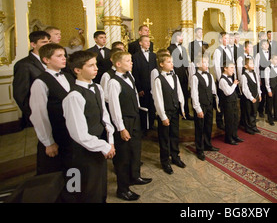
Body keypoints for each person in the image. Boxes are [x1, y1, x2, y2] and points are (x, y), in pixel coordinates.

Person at [62, 50, 115, 203]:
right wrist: (103, 146)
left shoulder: (97, 87)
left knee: (100, 186)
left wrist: (109, 140)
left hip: (99, 145)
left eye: (96, 64)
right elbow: (78, 133)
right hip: (84, 151)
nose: (96, 68)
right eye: (91, 65)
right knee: (88, 190)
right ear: (77, 70)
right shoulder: (74, 96)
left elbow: (105, 117)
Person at [108, 51, 152, 201]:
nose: (131, 63)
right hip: (124, 121)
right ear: (118, 64)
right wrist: (121, 127)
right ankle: (123, 188)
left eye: (131, 60)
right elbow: (114, 107)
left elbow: (133, 97)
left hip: (134, 118)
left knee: (135, 150)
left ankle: (135, 176)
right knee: (123, 156)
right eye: (128, 61)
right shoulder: (114, 82)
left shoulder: (130, 76)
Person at [29, 43, 75, 175]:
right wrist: (48, 142)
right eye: (59, 56)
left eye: (64, 55)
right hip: (56, 133)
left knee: (72, 169)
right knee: (54, 173)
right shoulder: (40, 82)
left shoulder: (68, 76)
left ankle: (73, 192)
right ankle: (59, 196)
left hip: (70, 133)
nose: (64, 58)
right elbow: (39, 115)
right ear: (46, 60)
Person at [153, 53, 186, 174]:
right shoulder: (158, 80)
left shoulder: (175, 77)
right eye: (168, 62)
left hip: (175, 111)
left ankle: (175, 157)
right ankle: (165, 161)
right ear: (161, 64)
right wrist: (163, 116)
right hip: (165, 113)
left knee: (174, 135)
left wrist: (182, 108)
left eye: (172, 62)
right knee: (164, 138)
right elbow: (158, 99)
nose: (172, 64)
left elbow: (179, 93)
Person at [13, 31, 50, 128]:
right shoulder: (23, 65)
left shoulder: (51, 60)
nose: (48, 45)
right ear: (33, 44)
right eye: (44, 42)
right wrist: (33, 115)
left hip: (52, 111)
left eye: (49, 42)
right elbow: (20, 95)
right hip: (38, 113)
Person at [191, 56, 220, 161]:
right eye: (204, 63)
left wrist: (215, 103)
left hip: (209, 104)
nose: (207, 64)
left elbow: (213, 91)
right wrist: (198, 109)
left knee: (208, 126)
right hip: (200, 105)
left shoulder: (210, 76)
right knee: (200, 128)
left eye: (208, 62)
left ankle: (208, 144)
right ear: (198, 64)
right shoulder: (195, 77)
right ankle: (199, 149)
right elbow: (194, 94)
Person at [132, 35, 157, 131]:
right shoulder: (135, 56)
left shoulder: (153, 55)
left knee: (152, 105)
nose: (148, 43)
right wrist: (139, 88)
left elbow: (155, 71)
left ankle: (151, 124)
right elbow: (135, 73)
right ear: (140, 43)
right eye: (146, 41)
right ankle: (143, 126)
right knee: (144, 105)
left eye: (149, 41)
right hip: (142, 85)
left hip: (152, 84)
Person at [168, 30, 192, 120]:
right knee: (176, 95)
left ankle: (185, 113)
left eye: (182, 36)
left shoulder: (183, 48)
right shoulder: (170, 49)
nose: (182, 38)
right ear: (175, 37)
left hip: (183, 75)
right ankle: (176, 113)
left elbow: (186, 64)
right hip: (175, 74)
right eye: (180, 36)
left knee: (185, 95)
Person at [213, 32, 234, 130]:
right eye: (225, 38)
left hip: (229, 77)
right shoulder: (218, 51)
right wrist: (220, 79)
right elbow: (217, 66)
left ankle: (229, 120)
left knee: (228, 100)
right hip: (222, 79)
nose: (228, 40)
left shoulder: (229, 49)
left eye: (228, 38)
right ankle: (219, 121)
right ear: (221, 39)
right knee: (220, 101)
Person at [218, 62, 242, 145]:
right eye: (231, 67)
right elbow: (228, 92)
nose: (233, 70)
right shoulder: (222, 80)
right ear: (225, 68)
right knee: (229, 120)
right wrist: (234, 84)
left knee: (235, 119)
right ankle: (228, 138)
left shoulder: (230, 78)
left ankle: (234, 135)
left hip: (233, 102)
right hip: (227, 103)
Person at [240, 57, 261, 134]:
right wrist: (251, 98)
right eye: (251, 63)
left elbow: (258, 85)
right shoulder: (244, 76)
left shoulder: (254, 73)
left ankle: (253, 126)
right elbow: (245, 89)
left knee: (254, 112)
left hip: (256, 95)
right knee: (248, 113)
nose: (253, 65)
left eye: (253, 63)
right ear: (245, 66)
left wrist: (259, 94)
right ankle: (248, 127)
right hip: (249, 98)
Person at [265, 55, 277, 125]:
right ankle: (270, 119)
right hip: (271, 87)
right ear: (271, 60)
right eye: (275, 59)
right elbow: (267, 80)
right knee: (270, 104)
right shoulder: (268, 69)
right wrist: (269, 90)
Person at [254, 39, 271, 118]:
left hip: (271, 76)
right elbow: (256, 68)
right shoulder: (258, 55)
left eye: (267, 44)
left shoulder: (271, 53)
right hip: (262, 76)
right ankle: (260, 110)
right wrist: (258, 79)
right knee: (263, 93)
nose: (266, 45)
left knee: (269, 93)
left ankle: (268, 109)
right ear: (261, 46)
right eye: (264, 44)